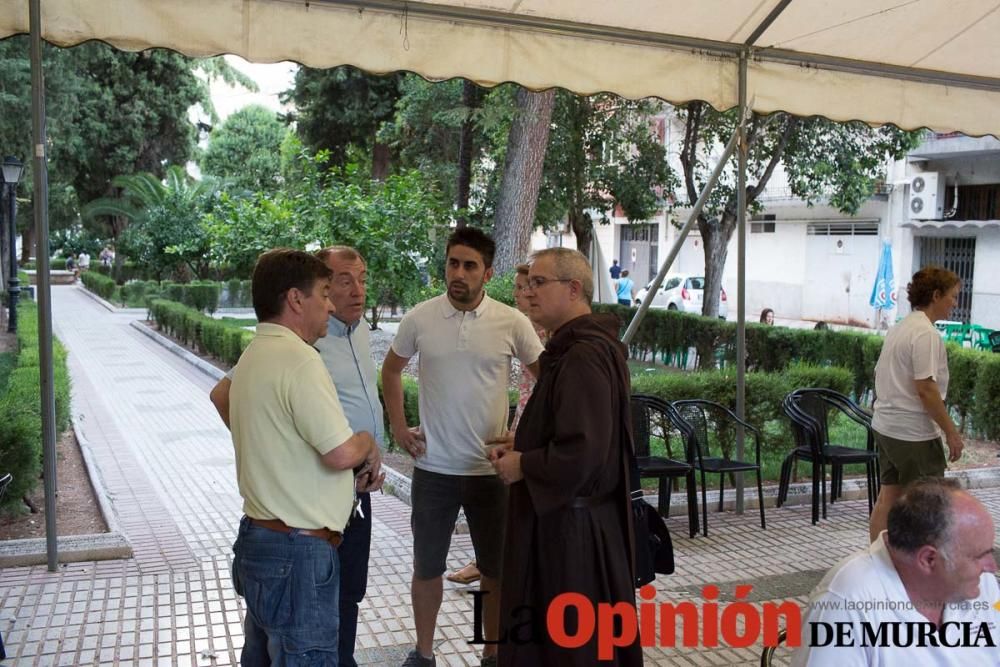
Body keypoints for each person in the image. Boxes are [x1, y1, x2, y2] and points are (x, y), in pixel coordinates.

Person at [210, 245, 385, 667]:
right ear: (295, 299)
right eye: (325, 291)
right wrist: (368, 443)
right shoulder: (301, 359)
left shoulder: (258, 352)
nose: (330, 303)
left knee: (262, 655)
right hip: (298, 552)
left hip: (265, 538)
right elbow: (341, 452)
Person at [381, 228, 544, 667]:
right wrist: (398, 426)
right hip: (433, 469)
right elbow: (391, 370)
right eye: (453, 263)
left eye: (469, 265)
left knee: (494, 571)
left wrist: (523, 435)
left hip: (491, 472)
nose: (458, 273)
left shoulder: (512, 322)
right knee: (426, 567)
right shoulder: (420, 318)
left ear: (487, 273)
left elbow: (547, 378)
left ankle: (493, 654)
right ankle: (424, 652)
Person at [491, 248, 641, 666]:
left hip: (572, 542)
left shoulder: (583, 355)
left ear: (573, 289)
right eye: (529, 283)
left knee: (571, 652)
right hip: (572, 528)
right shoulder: (574, 349)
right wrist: (523, 444)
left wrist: (523, 464)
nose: (529, 292)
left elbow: (584, 451)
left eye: (539, 283)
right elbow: (575, 431)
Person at [793, 478, 999, 666]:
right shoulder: (845, 603)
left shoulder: (981, 583)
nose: (992, 567)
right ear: (928, 559)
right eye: (979, 556)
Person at [445, 264, 549, 588]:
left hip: (536, 428)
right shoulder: (518, 326)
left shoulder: (544, 330)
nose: (522, 294)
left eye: (528, 286)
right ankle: (490, 562)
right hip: (522, 423)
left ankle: (496, 565)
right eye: (518, 287)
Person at [868, 266, 963, 542]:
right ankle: (921, 569)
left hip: (886, 427)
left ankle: (877, 563)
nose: (954, 304)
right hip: (914, 435)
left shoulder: (900, 327)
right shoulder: (925, 334)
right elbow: (926, 389)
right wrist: (951, 432)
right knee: (929, 507)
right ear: (936, 295)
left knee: (888, 497)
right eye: (953, 297)